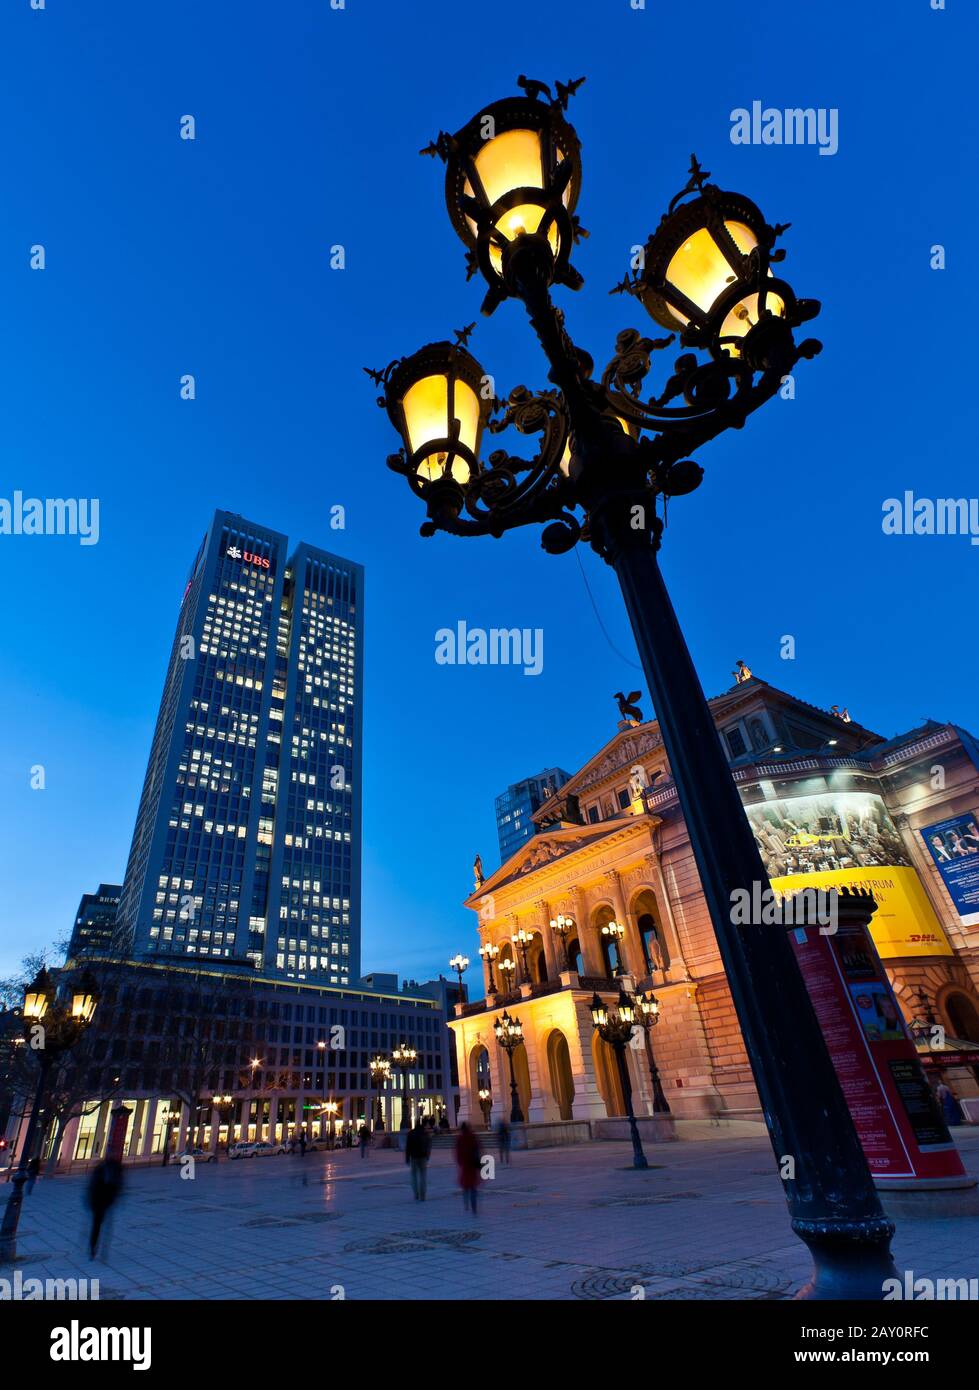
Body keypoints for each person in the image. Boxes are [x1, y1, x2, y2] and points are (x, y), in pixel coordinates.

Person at [85, 1158, 123, 1260]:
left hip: (103, 1203)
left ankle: (98, 1249)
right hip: (99, 1203)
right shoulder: (104, 1170)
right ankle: (94, 1248)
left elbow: (116, 1186)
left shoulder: (111, 1169)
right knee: (99, 1226)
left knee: (100, 1226)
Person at [455, 1121, 482, 1215]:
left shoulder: (460, 1138)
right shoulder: (472, 1136)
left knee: (466, 1186)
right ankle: (474, 1206)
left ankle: (466, 1203)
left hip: (465, 1165)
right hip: (472, 1164)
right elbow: (478, 1148)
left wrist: (460, 1162)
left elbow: (457, 1152)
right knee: (473, 1186)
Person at [405, 1120, 432, 1201]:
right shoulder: (425, 1133)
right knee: (423, 1176)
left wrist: (407, 1157)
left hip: (414, 1157)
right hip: (423, 1157)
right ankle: (422, 1195)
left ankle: (416, 1193)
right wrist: (427, 1155)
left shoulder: (411, 1133)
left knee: (414, 1176)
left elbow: (408, 1146)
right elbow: (428, 1145)